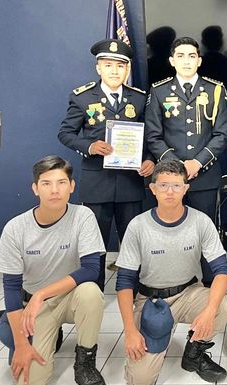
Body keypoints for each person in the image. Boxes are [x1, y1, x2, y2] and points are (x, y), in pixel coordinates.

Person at [0, 156, 107, 385]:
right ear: (35, 188)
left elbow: (91, 269)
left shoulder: (83, 216)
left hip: (69, 298)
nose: (54, 190)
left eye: (61, 182)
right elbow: (11, 288)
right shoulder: (16, 228)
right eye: (46, 183)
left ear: (72, 186)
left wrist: (42, 294)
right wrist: (22, 344)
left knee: (91, 292)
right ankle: (46, 337)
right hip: (35, 308)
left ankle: (85, 362)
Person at [114, 160, 227, 385]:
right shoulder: (138, 226)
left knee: (224, 305)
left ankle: (194, 353)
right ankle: (157, 335)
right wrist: (130, 331)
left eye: (177, 186)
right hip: (150, 300)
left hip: (188, 292)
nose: (170, 192)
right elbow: (124, 282)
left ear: (186, 188)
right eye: (163, 186)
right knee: (140, 380)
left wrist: (209, 311)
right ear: (152, 189)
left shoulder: (200, 221)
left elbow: (222, 271)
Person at [58, 38, 154, 290]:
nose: (114, 71)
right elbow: (66, 133)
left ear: (128, 69)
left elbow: (150, 137)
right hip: (96, 181)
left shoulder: (139, 99)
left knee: (133, 241)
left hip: (130, 182)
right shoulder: (82, 97)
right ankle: (93, 291)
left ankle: (132, 290)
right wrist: (89, 147)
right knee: (94, 244)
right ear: (98, 68)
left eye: (120, 66)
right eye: (108, 65)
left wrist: (150, 160)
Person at [145, 36, 227, 222]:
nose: (186, 61)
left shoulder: (215, 90)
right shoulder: (159, 91)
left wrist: (197, 163)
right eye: (180, 56)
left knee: (203, 232)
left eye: (191, 56)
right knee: (168, 228)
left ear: (199, 61)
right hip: (169, 177)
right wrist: (176, 166)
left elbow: (221, 134)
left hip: (204, 176)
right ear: (172, 61)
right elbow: (153, 136)